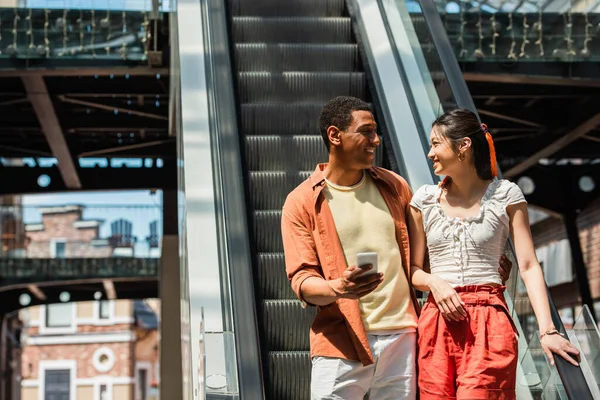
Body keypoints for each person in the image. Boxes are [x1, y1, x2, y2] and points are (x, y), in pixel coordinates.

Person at [281, 97, 512, 399]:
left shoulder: (395, 186)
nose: (375, 140)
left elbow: (429, 252)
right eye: (365, 131)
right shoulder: (301, 201)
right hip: (340, 339)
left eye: (376, 132)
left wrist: (482, 261)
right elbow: (302, 280)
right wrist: (340, 287)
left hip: (403, 338)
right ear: (334, 135)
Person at [407, 108, 581, 400]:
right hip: (436, 319)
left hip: (488, 321)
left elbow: (528, 265)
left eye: (436, 143)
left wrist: (548, 330)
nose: (430, 153)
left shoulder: (506, 195)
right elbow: (412, 269)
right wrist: (435, 283)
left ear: (463, 146)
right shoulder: (423, 200)